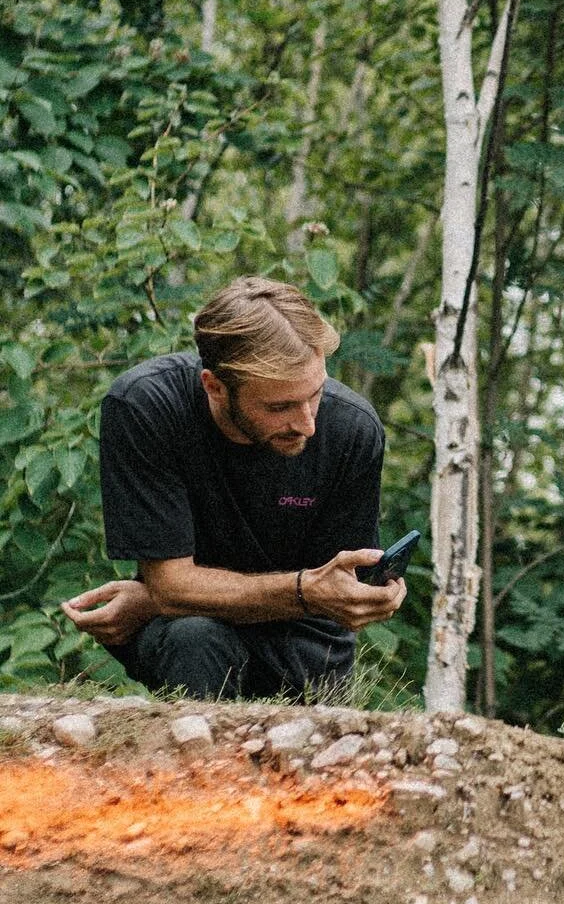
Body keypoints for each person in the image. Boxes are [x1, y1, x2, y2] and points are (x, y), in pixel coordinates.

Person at [60, 276, 407, 700]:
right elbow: (172, 586)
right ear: (215, 387)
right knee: (195, 637)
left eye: (315, 394)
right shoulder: (146, 405)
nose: (307, 423)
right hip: (188, 635)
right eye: (280, 407)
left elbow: (342, 589)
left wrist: (365, 595)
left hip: (305, 648)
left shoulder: (353, 429)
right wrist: (303, 590)